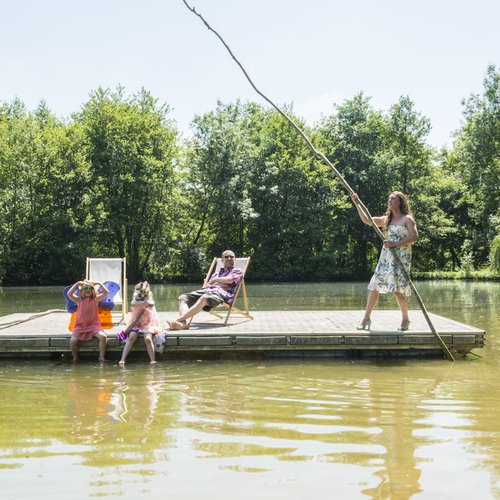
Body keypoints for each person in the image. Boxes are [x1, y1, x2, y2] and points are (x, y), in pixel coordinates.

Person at [350, 191, 418, 331]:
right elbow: (367, 220)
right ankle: (366, 319)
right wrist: (357, 202)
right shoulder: (386, 219)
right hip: (386, 258)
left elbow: (414, 237)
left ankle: (405, 320)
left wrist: (395, 243)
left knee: (398, 290)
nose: (390, 200)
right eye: (389, 199)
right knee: (375, 287)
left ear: (400, 201)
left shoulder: (407, 219)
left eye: (393, 198)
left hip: (401, 258)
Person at [168, 250, 243, 330]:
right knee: (183, 298)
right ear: (222, 260)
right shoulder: (216, 273)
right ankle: (183, 324)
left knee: (204, 298)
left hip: (221, 295)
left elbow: (230, 280)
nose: (229, 258)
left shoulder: (238, 271)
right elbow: (208, 286)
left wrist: (215, 280)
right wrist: (217, 283)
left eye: (232, 256)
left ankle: (177, 320)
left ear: (235, 259)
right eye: (226, 256)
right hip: (208, 292)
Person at [118, 281, 162, 366]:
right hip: (136, 324)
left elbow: (151, 304)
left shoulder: (149, 300)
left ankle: (152, 360)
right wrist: (141, 303)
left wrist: (145, 303)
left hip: (148, 324)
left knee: (148, 339)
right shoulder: (135, 300)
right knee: (132, 337)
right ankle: (123, 359)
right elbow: (133, 304)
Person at [68, 280, 110, 362]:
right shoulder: (79, 300)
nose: (88, 290)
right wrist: (77, 284)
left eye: (90, 288)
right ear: (82, 291)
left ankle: (101, 357)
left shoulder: (95, 299)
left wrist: (99, 283)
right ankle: (75, 357)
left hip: (93, 326)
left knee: (103, 337)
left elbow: (106, 292)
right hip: (80, 326)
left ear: (93, 290)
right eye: (85, 289)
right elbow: (69, 294)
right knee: (73, 341)